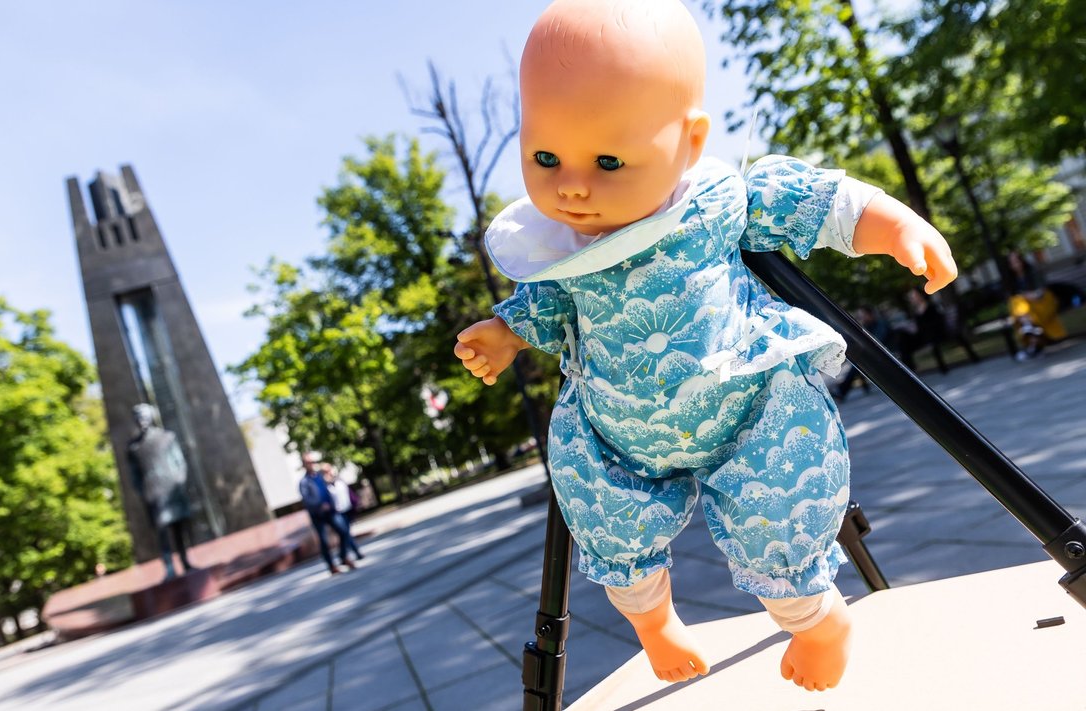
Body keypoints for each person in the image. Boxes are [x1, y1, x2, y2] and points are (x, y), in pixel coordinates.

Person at [453, 0, 958, 692]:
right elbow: (544, 303)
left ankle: (816, 620)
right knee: (603, 509)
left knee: (778, 504)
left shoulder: (718, 202)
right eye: (546, 155)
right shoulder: (563, 248)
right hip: (618, 434)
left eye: (606, 159)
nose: (572, 183)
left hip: (745, 411)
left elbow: (813, 202)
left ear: (690, 142)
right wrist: (505, 332)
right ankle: (654, 623)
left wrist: (894, 224)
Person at [127, 404, 195, 580]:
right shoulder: (133, 447)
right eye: (138, 417)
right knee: (162, 531)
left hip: (171, 489)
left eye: (144, 416)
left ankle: (185, 561)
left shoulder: (167, 437)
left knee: (179, 528)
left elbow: (180, 462)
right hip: (153, 493)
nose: (141, 420)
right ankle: (169, 567)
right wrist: (142, 491)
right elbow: (134, 475)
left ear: (151, 417)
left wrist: (179, 481)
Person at [298, 454, 358, 575]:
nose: (312, 464)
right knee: (324, 541)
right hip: (318, 514)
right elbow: (307, 499)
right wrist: (320, 505)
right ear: (304, 464)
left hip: (331, 511)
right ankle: (331, 566)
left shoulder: (320, 477)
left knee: (343, 531)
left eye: (313, 461)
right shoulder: (304, 482)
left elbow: (330, 489)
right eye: (309, 462)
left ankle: (343, 556)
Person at [1004, 251, 1064, 360]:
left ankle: (1029, 334)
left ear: (1021, 261)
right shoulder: (1012, 280)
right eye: (1011, 262)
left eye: (1016, 261)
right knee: (1016, 301)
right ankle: (1033, 340)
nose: (1015, 264)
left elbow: (1042, 291)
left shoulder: (1033, 272)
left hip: (1041, 304)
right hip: (1026, 310)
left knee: (1018, 303)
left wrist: (1031, 295)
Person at [323, 463, 364, 560]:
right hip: (336, 513)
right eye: (325, 471)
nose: (328, 472)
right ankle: (356, 552)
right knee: (345, 532)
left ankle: (342, 554)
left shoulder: (339, 479)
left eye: (328, 470)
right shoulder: (324, 485)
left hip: (347, 509)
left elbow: (348, 492)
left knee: (346, 533)